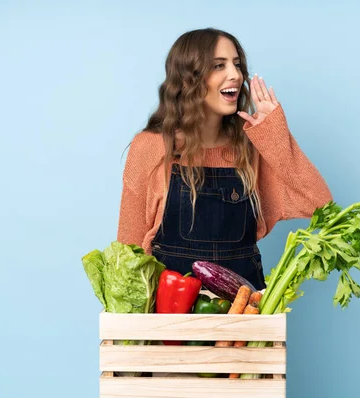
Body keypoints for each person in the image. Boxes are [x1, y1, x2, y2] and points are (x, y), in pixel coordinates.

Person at [116, 28, 332, 290]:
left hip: (243, 314)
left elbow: (320, 204)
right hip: (170, 316)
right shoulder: (150, 146)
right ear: (188, 79)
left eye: (237, 65)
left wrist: (274, 134)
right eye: (219, 66)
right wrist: (124, 326)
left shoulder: (251, 146)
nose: (236, 75)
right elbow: (128, 251)